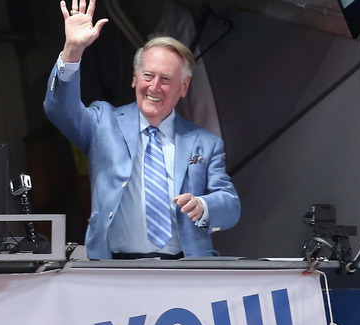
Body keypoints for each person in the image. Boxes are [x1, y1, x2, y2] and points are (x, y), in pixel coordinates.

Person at [43, 0, 240, 260]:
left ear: (184, 87)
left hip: (188, 271)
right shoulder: (103, 121)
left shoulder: (205, 142)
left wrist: (203, 205)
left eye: (166, 79)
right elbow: (59, 109)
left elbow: (231, 206)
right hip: (116, 270)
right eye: (148, 76)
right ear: (135, 78)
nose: (154, 87)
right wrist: (72, 51)